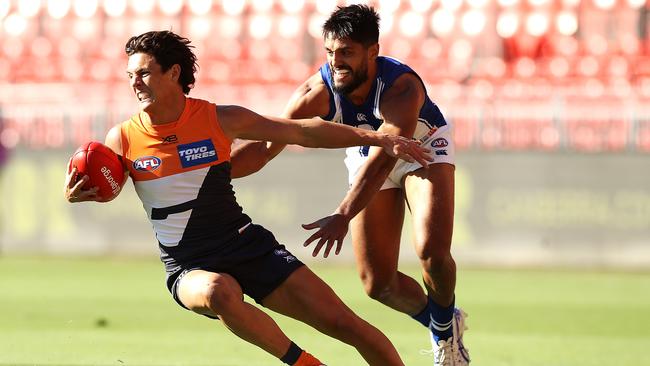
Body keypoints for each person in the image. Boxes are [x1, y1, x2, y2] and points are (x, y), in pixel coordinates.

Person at [62, 30, 433, 366]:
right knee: (218, 292)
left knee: (346, 325)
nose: (135, 83)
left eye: (143, 73)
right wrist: (79, 194)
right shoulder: (122, 138)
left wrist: (377, 138)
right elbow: (108, 189)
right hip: (187, 265)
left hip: (247, 246)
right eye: (130, 76)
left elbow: (302, 132)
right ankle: (305, 364)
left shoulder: (219, 118)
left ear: (173, 73)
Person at [231, 5, 471, 365]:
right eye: (330, 52)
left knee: (432, 253)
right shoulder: (316, 91)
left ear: (372, 51)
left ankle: (445, 337)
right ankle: (442, 321)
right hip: (368, 151)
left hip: (422, 148)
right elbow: (264, 147)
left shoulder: (401, 87)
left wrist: (343, 214)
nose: (335, 61)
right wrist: (212, 171)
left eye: (346, 52)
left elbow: (388, 157)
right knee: (378, 284)